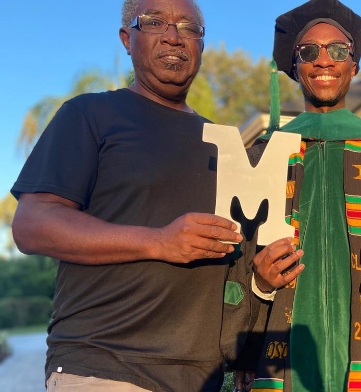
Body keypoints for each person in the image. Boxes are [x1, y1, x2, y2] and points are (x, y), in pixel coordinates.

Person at [10, 0, 259, 390]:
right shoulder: (91, 114)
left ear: (201, 45)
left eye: (188, 27)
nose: (174, 36)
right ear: (128, 39)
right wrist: (159, 242)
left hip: (201, 376)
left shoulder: (224, 143)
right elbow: (32, 224)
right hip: (105, 364)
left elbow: (240, 256)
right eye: (155, 22)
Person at [232, 1, 361, 391]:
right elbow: (233, 259)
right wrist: (259, 283)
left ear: (354, 66)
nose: (324, 61)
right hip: (282, 348)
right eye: (308, 51)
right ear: (294, 67)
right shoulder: (263, 155)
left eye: (338, 50)